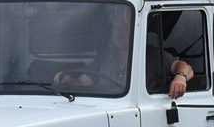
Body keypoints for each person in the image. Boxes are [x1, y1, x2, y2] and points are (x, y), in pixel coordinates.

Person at [53, 6, 193, 99]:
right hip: (107, 106)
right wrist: (68, 80)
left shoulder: (150, 54)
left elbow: (185, 67)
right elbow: (87, 80)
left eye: (124, 28)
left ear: (134, 30)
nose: (119, 33)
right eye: (116, 28)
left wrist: (180, 77)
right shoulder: (106, 55)